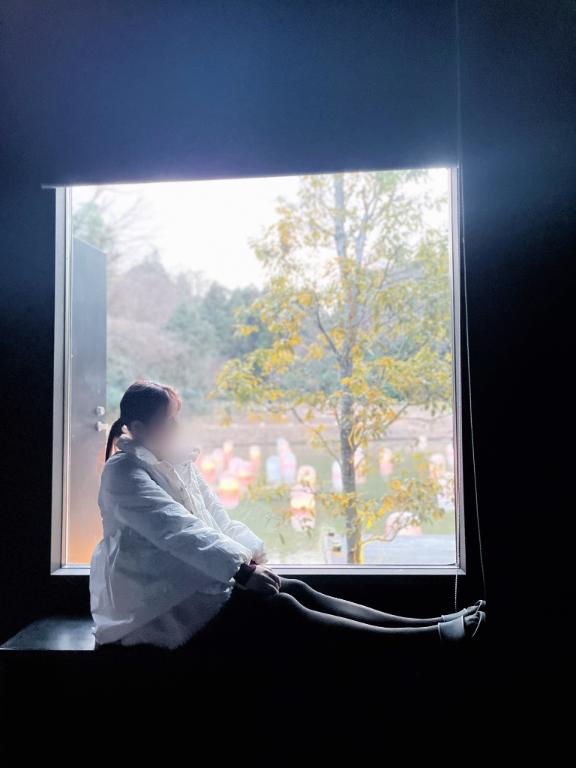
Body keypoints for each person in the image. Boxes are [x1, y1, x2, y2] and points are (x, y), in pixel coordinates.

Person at [89, 379, 486, 656]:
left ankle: (432, 624)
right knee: (282, 609)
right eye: (167, 420)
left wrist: (251, 558)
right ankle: (428, 641)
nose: (175, 427)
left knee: (294, 588)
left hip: (188, 588)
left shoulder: (174, 462)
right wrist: (241, 571)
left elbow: (214, 517)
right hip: (153, 611)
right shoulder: (123, 473)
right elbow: (177, 530)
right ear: (138, 427)